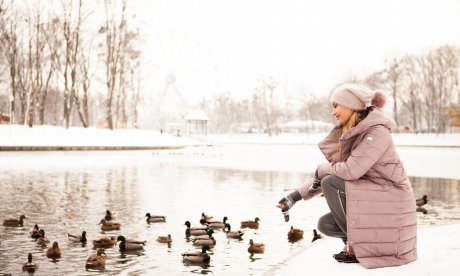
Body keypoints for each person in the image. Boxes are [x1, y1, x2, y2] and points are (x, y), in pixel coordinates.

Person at [277, 83, 417, 269]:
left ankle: (355, 247)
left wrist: (321, 169)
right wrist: (294, 197)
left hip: (393, 199)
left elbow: (349, 171)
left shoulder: (376, 132)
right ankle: (356, 245)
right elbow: (338, 169)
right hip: (380, 198)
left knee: (331, 183)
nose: (333, 112)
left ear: (351, 105)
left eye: (336, 105)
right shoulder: (358, 133)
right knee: (326, 224)